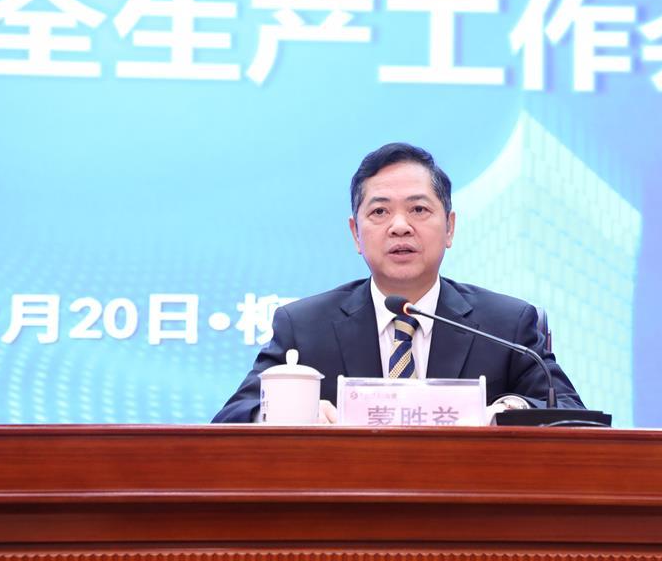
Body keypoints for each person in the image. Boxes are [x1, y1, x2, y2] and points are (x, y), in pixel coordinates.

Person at [213, 143, 584, 423]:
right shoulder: (305, 326)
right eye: (380, 211)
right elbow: (232, 418)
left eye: (419, 209)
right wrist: (291, 412)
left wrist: (513, 411)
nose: (400, 226)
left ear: (450, 227)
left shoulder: (504, 324)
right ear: (356, 234)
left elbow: (573, 416)